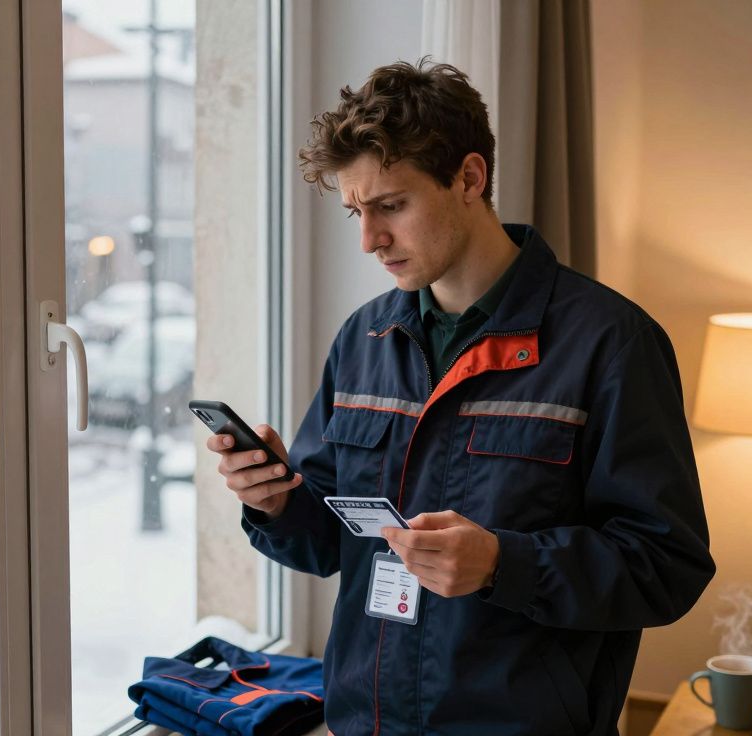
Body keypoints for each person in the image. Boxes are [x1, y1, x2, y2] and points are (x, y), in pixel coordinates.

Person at [206, 58, 715, 735]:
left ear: (469, 178)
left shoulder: (610, 343)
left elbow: (666, 566)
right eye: (357, 211)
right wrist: (274, 502)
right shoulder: (365, 338)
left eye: (391, 206)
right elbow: (330, 543)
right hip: (363, 723)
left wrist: (505, 564)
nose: (369, 240)